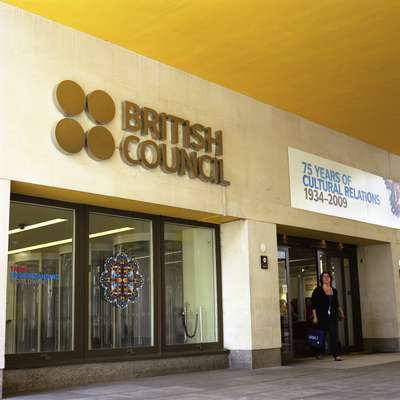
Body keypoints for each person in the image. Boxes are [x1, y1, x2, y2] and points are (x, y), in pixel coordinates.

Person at [311, 271, 345, 361]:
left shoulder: (334, 291)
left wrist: (341, 313)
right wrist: (315, 317)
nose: (326, 278)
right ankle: (320, 352)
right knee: (321, 335)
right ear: (321, 279)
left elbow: (337, 304)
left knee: (334, 335)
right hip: (321, 316)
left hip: (332, 316)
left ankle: (336, 354)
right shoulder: (317, 290)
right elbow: (313, 305)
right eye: (324, 277)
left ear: (330, 279)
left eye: (328, 276)